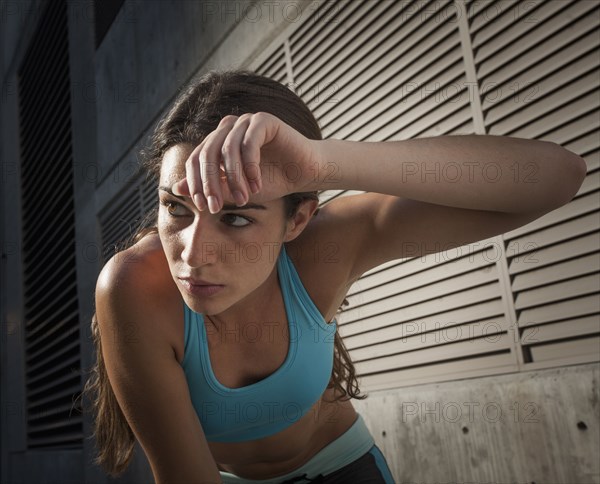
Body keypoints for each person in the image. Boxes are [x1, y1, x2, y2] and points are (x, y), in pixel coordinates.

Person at [84, 69, 587, 484]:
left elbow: (557, 176)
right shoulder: (133, 286)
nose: (193, 255)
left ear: (297, 220)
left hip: (345, 469)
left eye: (237, 217)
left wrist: (325, 164)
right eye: (176, 209)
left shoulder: (324, 248)